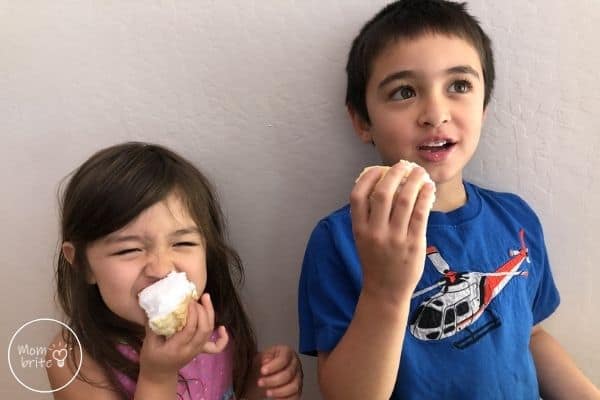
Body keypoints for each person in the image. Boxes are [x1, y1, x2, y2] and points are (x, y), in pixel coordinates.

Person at [297, 1, 600, 399]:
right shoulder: (338, 240)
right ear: (362, 121)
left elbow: (532, 334)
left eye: (459, 85)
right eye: (404, 92)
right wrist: (386, 290)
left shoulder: (516, 218)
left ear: (484, 106)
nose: (435, 113)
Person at [47, 142, 303, 400]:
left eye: (183, 243)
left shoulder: (217, 327)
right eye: (129, 250)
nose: (161, 269)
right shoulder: (71, 358)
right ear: (81, 263)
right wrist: (158, 376)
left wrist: (262, 384)